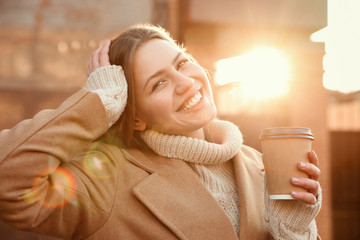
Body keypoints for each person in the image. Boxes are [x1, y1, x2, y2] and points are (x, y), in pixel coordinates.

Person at [0, 24, 322, 240]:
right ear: (135, 117)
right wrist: (96, 103)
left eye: (181, 64)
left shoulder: (261, 166)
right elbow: (8, 182)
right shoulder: (108, 181)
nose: (185, 83)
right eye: (159, 83)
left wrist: (293, 229)